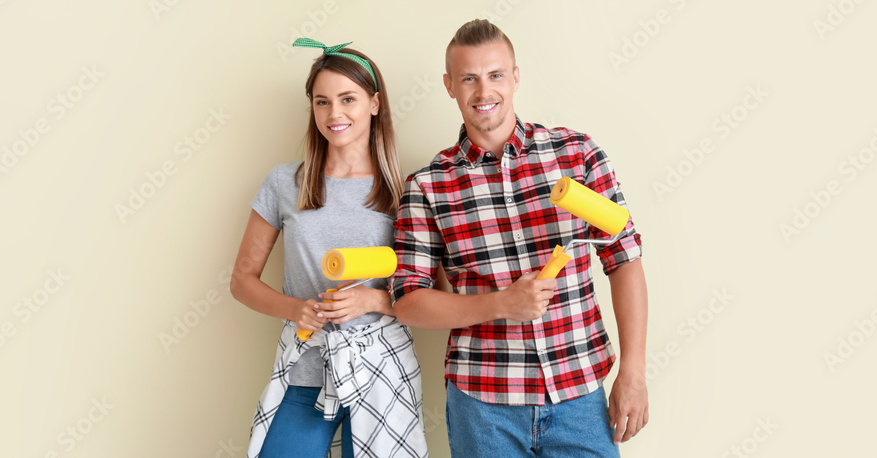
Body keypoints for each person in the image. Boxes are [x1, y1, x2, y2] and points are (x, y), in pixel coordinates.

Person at [391, 20, 649, 457]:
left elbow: (624, 259)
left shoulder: (577, 155)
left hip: (580, 394)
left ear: (515, 77)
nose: (483, 91)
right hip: (483, 406)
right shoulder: (428, 186)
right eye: (468, 78)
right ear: (449, 85)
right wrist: (501, 304)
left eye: (494, 75)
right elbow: (408, 301)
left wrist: (634, 370)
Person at [231, 38, 427, 458]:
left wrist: (374, 298)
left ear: (374, 104)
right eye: (322, 102)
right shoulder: (285, 184)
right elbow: (242, 282)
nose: (334, 114)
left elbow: (435, 294)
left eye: (347, 99)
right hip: (306, 370)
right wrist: (294, 309)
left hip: (382, 373)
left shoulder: (406, 191)